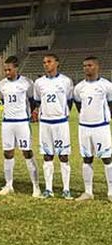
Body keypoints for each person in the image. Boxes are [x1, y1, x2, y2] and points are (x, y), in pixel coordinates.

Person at [0, 56, 41, 197]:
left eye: (9, 69)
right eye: (5, 70)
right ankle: (9, 185)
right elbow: (4, 100)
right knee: (7, 153)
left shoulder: (27, 83)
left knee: (27, 152)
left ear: (16, 68)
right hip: (7, 123)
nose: (7, 72)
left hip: (22, 122)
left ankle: (36, 186)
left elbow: (32, 101)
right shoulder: (1, 84)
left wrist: (32, 113)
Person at [34, 54, 74, 199]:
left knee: (63, 156)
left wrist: (61, 113)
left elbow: (69, 101)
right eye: (44, 62)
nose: (46, 64)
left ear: (57, 63)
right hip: (45, 124)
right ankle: (49, 189)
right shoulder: (39, 83)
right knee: (47, 156)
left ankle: (66, 189)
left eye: (49, 62)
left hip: (60, 123)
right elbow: (38, 101)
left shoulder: (66, 81)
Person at [73, 56, 112, 201]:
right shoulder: (79, 87)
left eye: (89, 65)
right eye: (84, 66)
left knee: (107, 159)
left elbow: (110, 104)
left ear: (97, 66)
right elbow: (78, 105)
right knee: (86, 158)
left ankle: (111, 192)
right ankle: (88, 192)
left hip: (101, 128)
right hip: (84, 128)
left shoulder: (106, 85)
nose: (86, 68)